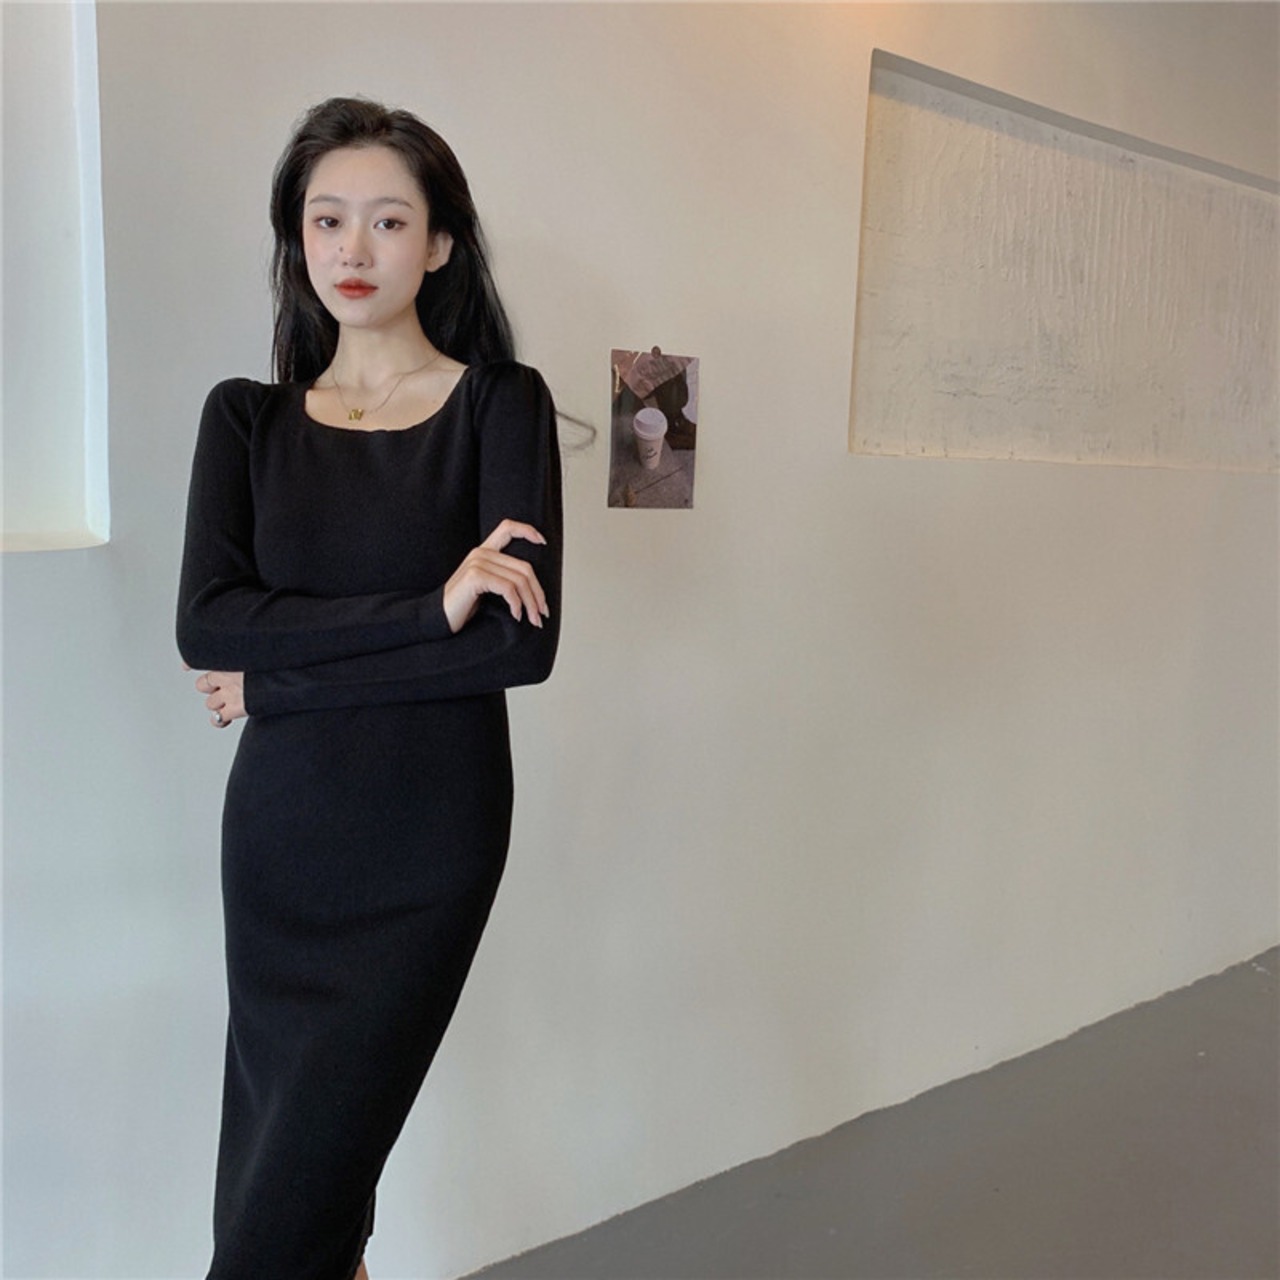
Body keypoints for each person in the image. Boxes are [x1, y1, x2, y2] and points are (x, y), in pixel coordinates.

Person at [176, 96, 562, 1280]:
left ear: (438, 244)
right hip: (282, 836)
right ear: (296, 238)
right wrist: (427, 606)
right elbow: (209, 622)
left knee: (295, 1189)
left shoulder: (501, 403)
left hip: (428, 835)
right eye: (326, 219)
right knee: (289, 1170)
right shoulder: (245, 419)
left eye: (389, 221)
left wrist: (276, 684)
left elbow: (515, 650)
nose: (353, 247)